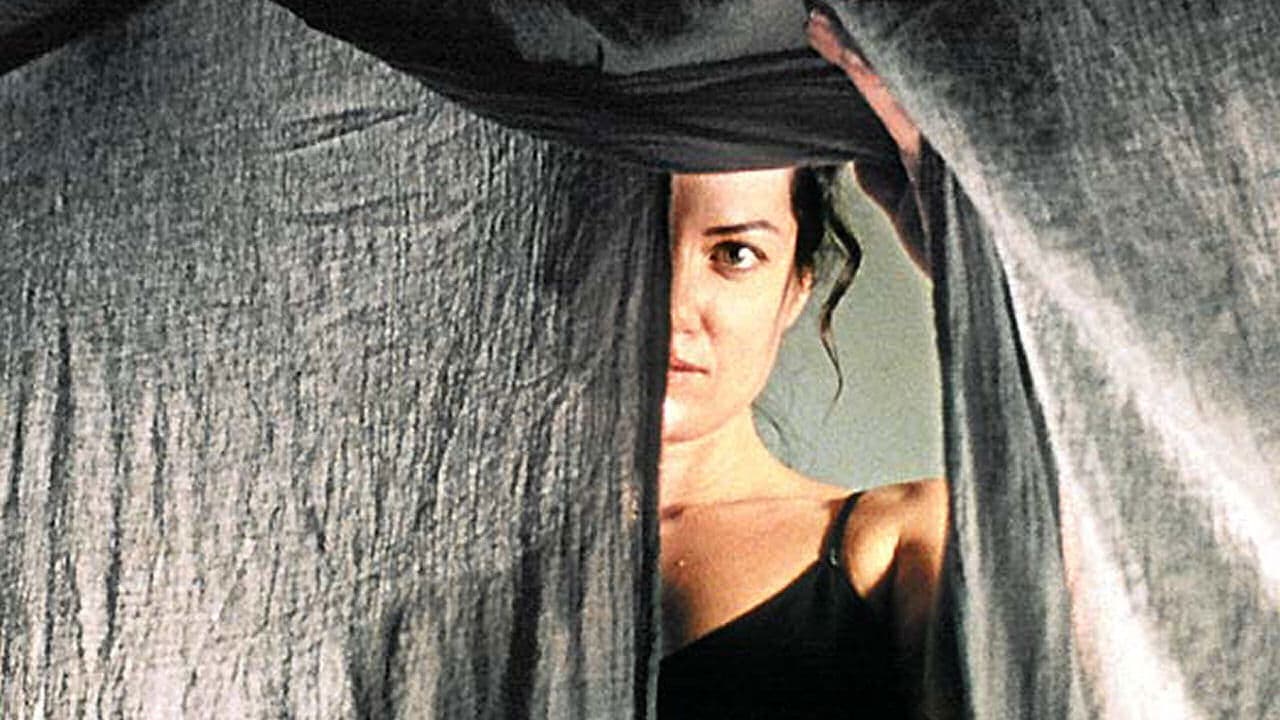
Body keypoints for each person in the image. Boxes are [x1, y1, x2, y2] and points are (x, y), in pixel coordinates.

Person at [656, 13, 952, 720]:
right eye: (639, 250)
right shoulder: (459, 596)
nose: (674, 306)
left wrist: (984, 285)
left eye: (734, 254)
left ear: (796, 289)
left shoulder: (900, 543)